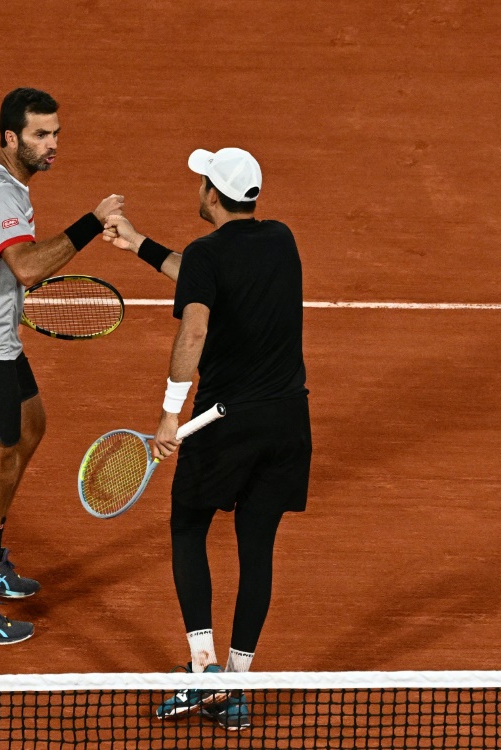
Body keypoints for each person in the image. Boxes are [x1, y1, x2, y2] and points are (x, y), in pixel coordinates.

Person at [103, 148, 311, 728]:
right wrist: (138, 243)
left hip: (225, 424)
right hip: (289, 422)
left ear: (213, 196)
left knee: (188, 526)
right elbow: (207, 275)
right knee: (256, 546)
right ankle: (236, 686)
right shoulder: (282, 239)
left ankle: (202, 670)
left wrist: (170, 413)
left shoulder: (206, 254)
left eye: (202, 184)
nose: (198, 191)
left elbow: (196, 322)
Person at [0, 87, 124, 644]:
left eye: (56, 132)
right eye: (41, 134)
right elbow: (30, 267)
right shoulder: (3, 199)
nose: (53, 144)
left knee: (31, 423)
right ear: (11, 138)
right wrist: (91, 223)